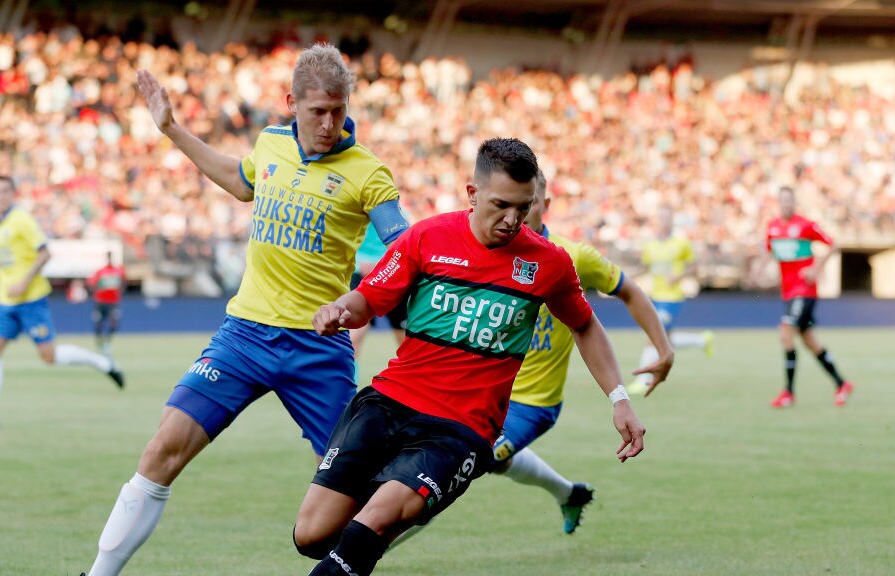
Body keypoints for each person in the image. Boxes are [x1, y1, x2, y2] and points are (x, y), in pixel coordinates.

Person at [83, 44, 409, 576]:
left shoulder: (368, 172)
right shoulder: (271, 142)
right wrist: (171, 129)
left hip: (318, 349)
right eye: (317, 112)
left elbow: (402, 248)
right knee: (163, 449)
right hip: (245, 336)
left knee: (355, 499)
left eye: (339, 111)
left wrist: (360, 301)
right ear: (292, 104)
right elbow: (241, 181)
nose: (329, 124)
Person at [293, 138, 645, 576]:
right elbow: (367, 300)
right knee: (311, 536)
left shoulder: (549, 262)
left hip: (461, 429)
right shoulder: (426, 236)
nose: (513, 219)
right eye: (501, 205)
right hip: (389, 403)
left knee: (376, 521)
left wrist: (619, 399)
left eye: (523, 207)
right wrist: (339, 310)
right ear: (473, 193)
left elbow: (585, 325)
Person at [0, 176, 124, 428]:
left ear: (13, 193)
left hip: (31, 299)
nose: (0, 195)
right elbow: (8, 263)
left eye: (5, 190)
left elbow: (45, 253)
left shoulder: (21, 219)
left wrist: (24, 282)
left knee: (49, 356)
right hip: (5, 301)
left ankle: (103, 363)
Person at [766, 186, 853, 408]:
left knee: (786, 332)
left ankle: (788, 392)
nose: (786, 204)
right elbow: (771, 253)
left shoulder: (806, 225)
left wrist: (816, 268)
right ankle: (841, 384)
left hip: (804, 291)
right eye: (782, 200)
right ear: (778, 203)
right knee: (809, 341)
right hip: (788, 293)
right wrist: (760, 270)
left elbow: (833, 244)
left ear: (794, 202)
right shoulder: (773, 228)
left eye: (789, 200)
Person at [628, 204, 712, 394]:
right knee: (666, 338)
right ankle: (701, 340)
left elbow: (694, 267)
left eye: (667, 217)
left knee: (652, 335)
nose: (664, 221)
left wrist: (679, 276)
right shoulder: (650, 245)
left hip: (672, 298)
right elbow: (646, 267)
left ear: (672, 220)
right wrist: (626, 277)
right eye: (661, 217)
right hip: (655, 297)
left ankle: (642, 380)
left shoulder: (681, 243)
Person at [348, 223, 407, 362]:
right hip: (361, 273)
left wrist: (386, 264)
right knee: (353, 336)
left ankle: (414, 372)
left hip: (393, 272)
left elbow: (405, 242)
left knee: (406, 341)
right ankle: (345, 375)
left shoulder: (400, 215)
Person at [87, 251, 127, 356]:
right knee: (98, 324)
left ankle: (108, 342)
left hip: (113, 302)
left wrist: (119, 293)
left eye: (111, 257)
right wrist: (96, 293)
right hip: (101, 302)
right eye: (108, 257)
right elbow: (91, 283)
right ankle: (99, 343)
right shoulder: (100, 272)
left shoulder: (119, 270)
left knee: (114, 323)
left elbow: (124, 282)